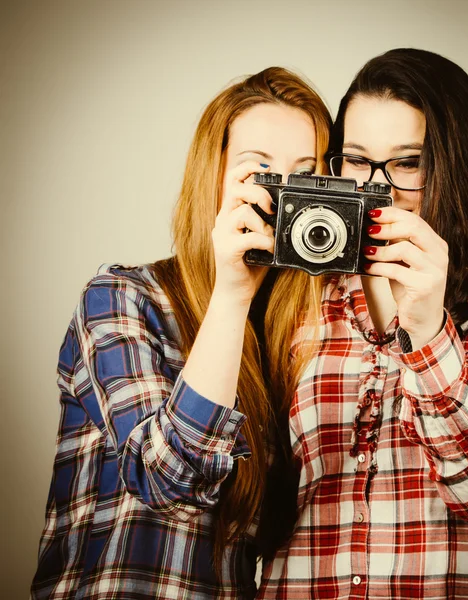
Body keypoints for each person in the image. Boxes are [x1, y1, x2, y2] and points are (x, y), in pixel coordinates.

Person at [257, 49, 468, 599]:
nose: (379, 190)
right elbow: (246, 504)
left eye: (406, 162)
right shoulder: (301, 293)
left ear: (457, 167)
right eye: (355, 160)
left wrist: (425, 329)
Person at [30, 66, 332, 599]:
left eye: (303, 173)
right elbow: (162, 475)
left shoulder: (289, 341)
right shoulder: (122, 298)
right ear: (212, 176)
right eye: (259, 169)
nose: (281, 192)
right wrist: (232, 293)